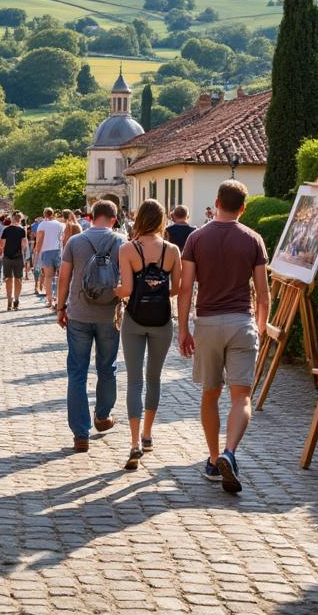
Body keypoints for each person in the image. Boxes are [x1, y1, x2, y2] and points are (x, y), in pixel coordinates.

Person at [178, 180, 269, 494]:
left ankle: (215, 458)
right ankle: (230, 451)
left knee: (210, 393)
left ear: (216, 202)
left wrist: (183, 329)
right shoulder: (253, 240)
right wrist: (260, 326)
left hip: (207, 322)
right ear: (243, 207)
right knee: (241, 396)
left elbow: (186, 288)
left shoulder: (196, 238)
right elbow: (263, 294)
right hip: (242, 320)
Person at [114, 199, 182, 471]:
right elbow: (176, 288)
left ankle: (133, 443)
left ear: (140, 218)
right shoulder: (172, 250)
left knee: (134, 381)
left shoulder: (127, 249)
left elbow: (128, 289)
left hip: (134, 319)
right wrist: (156, 290)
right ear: (162, 219)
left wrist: (115, 291)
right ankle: (148, 435)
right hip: (162, 321)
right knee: (154, 379)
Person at [56, 200, 125, 452]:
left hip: (78, 314)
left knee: (77, 373)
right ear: (114, 219)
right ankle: (103, 415)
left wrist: (60, 307)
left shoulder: (76, 242)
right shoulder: (122, 242)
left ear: (90, 216)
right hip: (110, 315)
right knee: (107, 368)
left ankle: (80, 433)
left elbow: (64, 277)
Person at [34, 208, 66, 310]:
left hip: (46, 252)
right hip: (58, 251)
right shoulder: (60, 224)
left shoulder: (42, 224)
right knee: (60, 277)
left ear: (44, 214)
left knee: (48, 277)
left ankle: (49, 300)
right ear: (53, 214)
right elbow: (62, 238)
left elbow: (39, 240)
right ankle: (59, 299)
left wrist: (37, 253)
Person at [0, 212, 28, 311]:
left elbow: (2, 244)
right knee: (18, 279)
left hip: (7, 257)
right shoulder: (22, 230)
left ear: (11, 219)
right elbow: (24, 245)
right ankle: (16, 299)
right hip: (18, 257)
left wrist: (1, 252)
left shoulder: (6, 230)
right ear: (20, 219)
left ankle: (9, 299)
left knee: (8, 279)